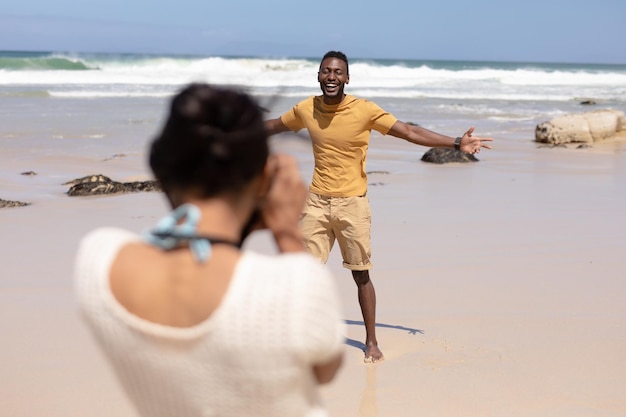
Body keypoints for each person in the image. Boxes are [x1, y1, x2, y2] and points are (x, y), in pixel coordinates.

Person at [74, 83, 345, 417]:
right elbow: (326, 370)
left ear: (160, 166)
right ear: (263, 180)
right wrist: (287, 230)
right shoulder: (294, 285)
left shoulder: (98, 261)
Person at [265, 51, 493, 363]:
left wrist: (456, 143)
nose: (331, 77)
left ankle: (371, 340)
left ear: (347, 78)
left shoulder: (364, 111)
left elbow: (409, 132)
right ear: (318, 76)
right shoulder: (307, 108)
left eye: (337, 72)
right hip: (316, 202)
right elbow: (276, 125)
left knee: (360, 274)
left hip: (352, 205)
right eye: (326, 72)